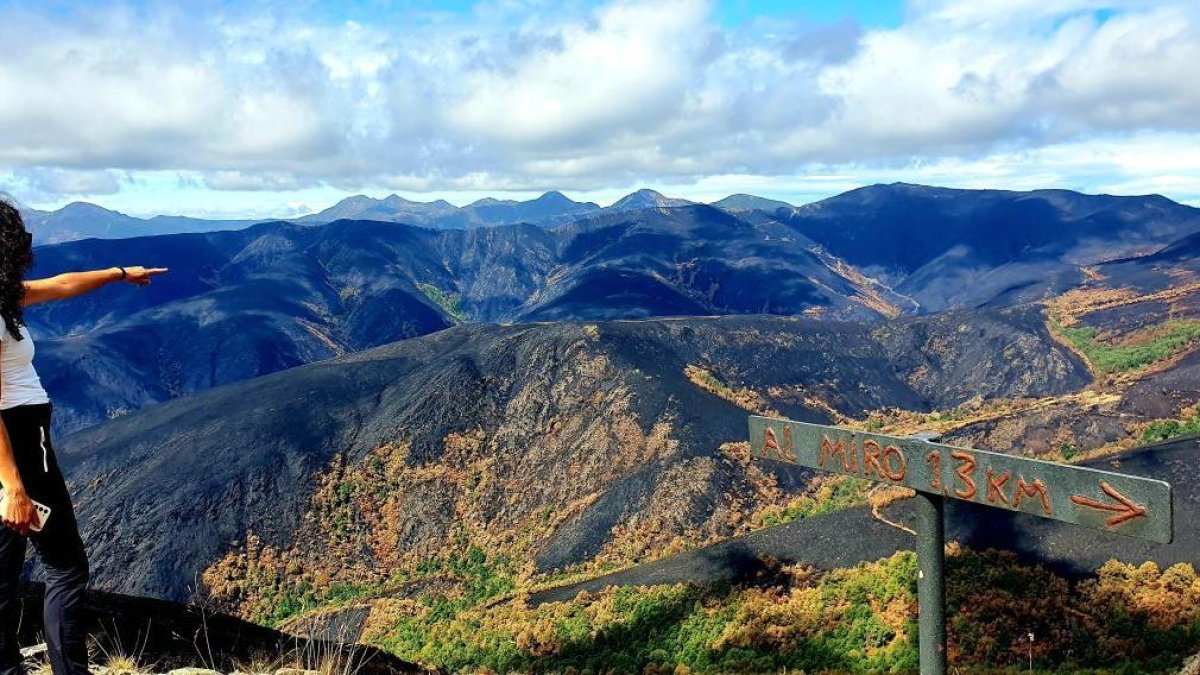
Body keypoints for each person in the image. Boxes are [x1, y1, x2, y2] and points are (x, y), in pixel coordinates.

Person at [0, 199, 167, 675]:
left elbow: (61, 285)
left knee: (6, 574)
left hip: (17, 447)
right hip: (18, 448)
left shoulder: (3, 297)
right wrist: (13, 486)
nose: (26, 248)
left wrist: (120, 273)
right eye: (19, 240)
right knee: (65, 566)